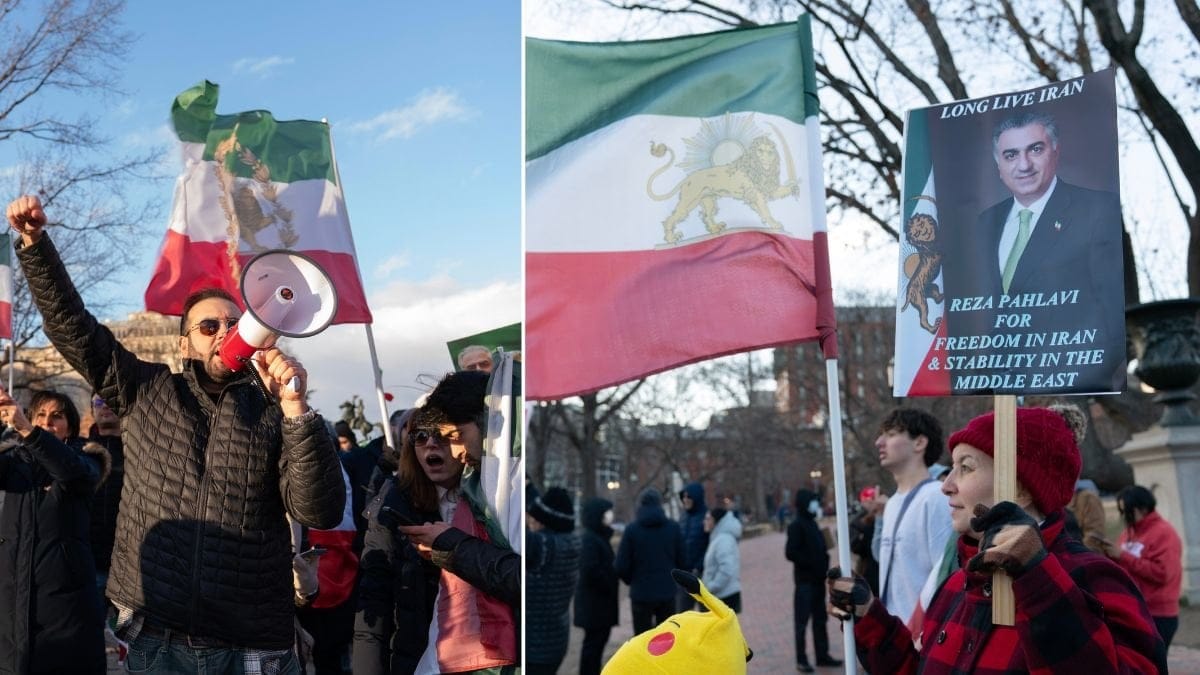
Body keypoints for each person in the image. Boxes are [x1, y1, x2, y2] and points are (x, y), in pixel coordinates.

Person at [8, 194, 346, 671]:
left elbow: (320, 509)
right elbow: (73, 328)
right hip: (160, 636)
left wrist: (294, 410)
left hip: (253, 644)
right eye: (209, 326)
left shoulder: (277, 412)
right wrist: (35, 244)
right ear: (185, 342)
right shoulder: (146, 388)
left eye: (235, 322)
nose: (225, 332)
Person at [828, 405, 1167, 674]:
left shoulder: (1092, 578)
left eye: (967, 467)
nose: (946, 485)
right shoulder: (956, 584)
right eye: (952, 467)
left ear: (1018, 487)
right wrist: (870, 617)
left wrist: (1038, 582)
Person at [949, 111, 1125, 393]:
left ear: (1055, 151)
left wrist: (1084, 379)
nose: (1024, 165)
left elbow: (1115, 311)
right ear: (998, 166)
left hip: (1071, 387)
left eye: (1035, 149)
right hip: (998, 390)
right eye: (1010, 155)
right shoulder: (984, 223)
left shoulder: (1096, 210)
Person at [391, 370, 520, 674]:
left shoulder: (512, 482)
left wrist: (450, 545)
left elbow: (518, 577)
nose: (456, 452)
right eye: (421, 439)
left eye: (456, 436)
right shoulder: (479, 480)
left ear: (487, 421)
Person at [0, 387, 107, 673]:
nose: (48, 422)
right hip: (13, 604)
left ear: (70, 425)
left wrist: (27, 429)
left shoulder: (88, 457)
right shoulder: (13, 461)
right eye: (41, 415)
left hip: (66, 610)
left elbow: (70, 471)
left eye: (57, 416)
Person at [353, 407, 451, 675]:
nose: (431, 442)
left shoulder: (485, 504)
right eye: (419, 436)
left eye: (442, 435)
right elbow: (374, 598)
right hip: (413, 659)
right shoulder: (394, 500)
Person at [872, 408, 953, 630]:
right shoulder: (892, 504)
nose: (880, 442)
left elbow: (946, 575)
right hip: (894, 638)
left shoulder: (936, 497)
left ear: (919, 443)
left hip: (922, 637)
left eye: (890, 434)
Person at [1091, 485, 1184, 649]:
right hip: (1134, 608)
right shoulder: (1129, 532)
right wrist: (1108, 554)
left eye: (1127, 512)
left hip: (1158, 614)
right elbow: (1124, 567)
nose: (1125, 517)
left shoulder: (1164, 533)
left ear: (1143, 508)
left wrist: (1123, 556)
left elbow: (1163, 573)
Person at [526, 486, 581, 674]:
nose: (530, 520)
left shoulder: (544, 547)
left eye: (535, 517)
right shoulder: (572, 543)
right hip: (556, 641)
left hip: (534, 647)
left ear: (545, 521)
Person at [615, 488, 686, 634]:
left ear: (641, 505)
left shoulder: (631, 530)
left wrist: (632, 580)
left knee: (642, 641)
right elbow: (684, 562)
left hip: (641, 593)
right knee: (668, 639)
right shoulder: (673, 528)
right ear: (660, 505)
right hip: (667, 593)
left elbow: (621, 566)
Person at [785, 489, 840, 672]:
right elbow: (790, 552)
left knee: (820, 620)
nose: (815, 505)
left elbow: (821, 547)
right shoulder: (796, 526)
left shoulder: (813, 524)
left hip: (818, 581)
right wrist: (811, 562)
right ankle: (801, 659)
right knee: (802, 623)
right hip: (805, 583)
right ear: (804, 504)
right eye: (812, 502)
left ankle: (822, 655)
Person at [573, 497, 619, 675]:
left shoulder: (598, 537)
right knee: (592, 647)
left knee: (596, 645)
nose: (610, 516)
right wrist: (609, 581)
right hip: (594, 606)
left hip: (598, 605)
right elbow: (590, 570)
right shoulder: (591, 539)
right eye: (607, 512)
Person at [701, 507, 743, 612]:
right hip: (722, 594)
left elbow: (727, 568)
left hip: (725, 596)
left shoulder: (723, 540)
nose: (704, 521)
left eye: (708, 518)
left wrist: (711, 587)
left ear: (716, 521)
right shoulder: (718, 538)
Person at [677, 481, 708, 611]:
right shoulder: (683, 518)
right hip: (684, 575)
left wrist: (699, 566)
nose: (685, 500)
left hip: (703, 575)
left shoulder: (706, 517)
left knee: (707, 617)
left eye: (688, 497)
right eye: (683, 497)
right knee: (682, 616)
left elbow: (710, 545)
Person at [848, 485, 881, 596]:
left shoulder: (884, 516)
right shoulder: (857, 522)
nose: (871, 503)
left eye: (873, 499)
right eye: (868, 500)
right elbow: (855, 547)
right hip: (866, 566)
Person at [1066, 478, 1106, 552]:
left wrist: (1080, 554)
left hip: (1084, 556)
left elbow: (1095, 534)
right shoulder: (1056, 500)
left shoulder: (1088, 498)